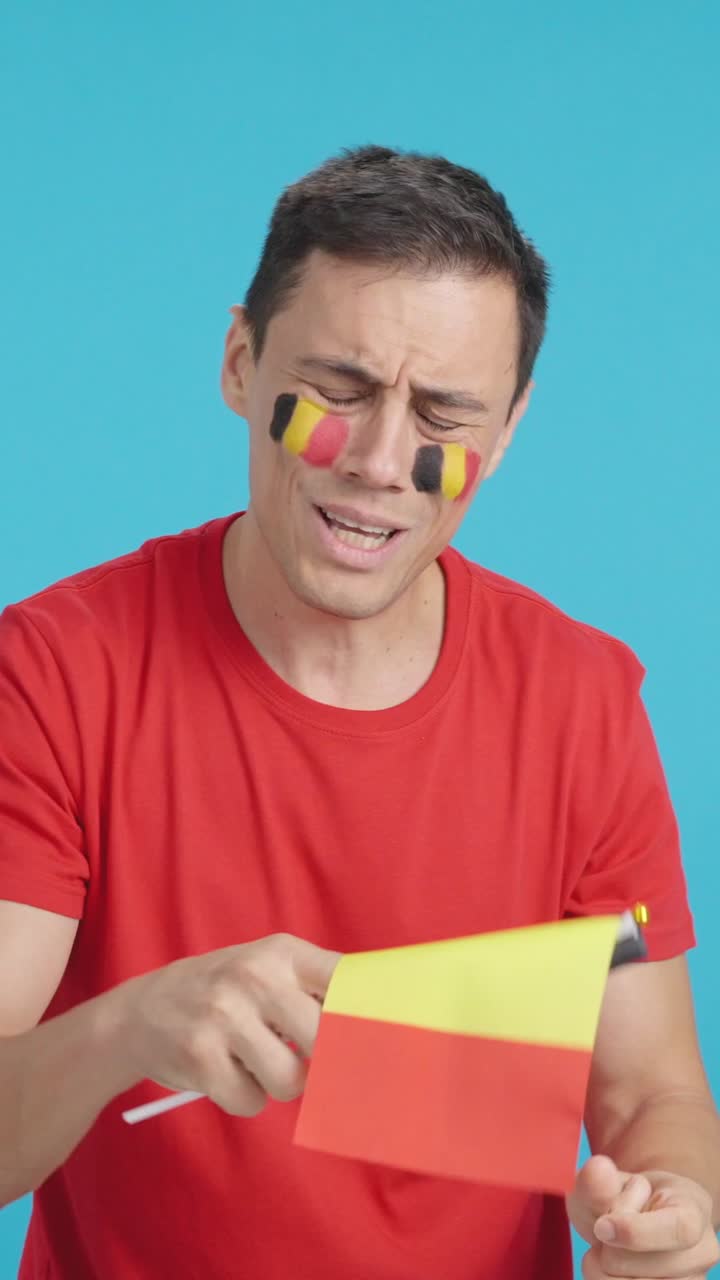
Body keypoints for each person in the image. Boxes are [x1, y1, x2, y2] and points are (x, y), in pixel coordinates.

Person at [0, 145, 718, 1280]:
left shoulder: (583, 700)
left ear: (508, 430)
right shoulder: (53, 672)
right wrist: (127, 1026)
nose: (383, 461)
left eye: (445, 415)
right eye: (338, 391)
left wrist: (669, 1204)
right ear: (240, 362)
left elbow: (650, 1089)